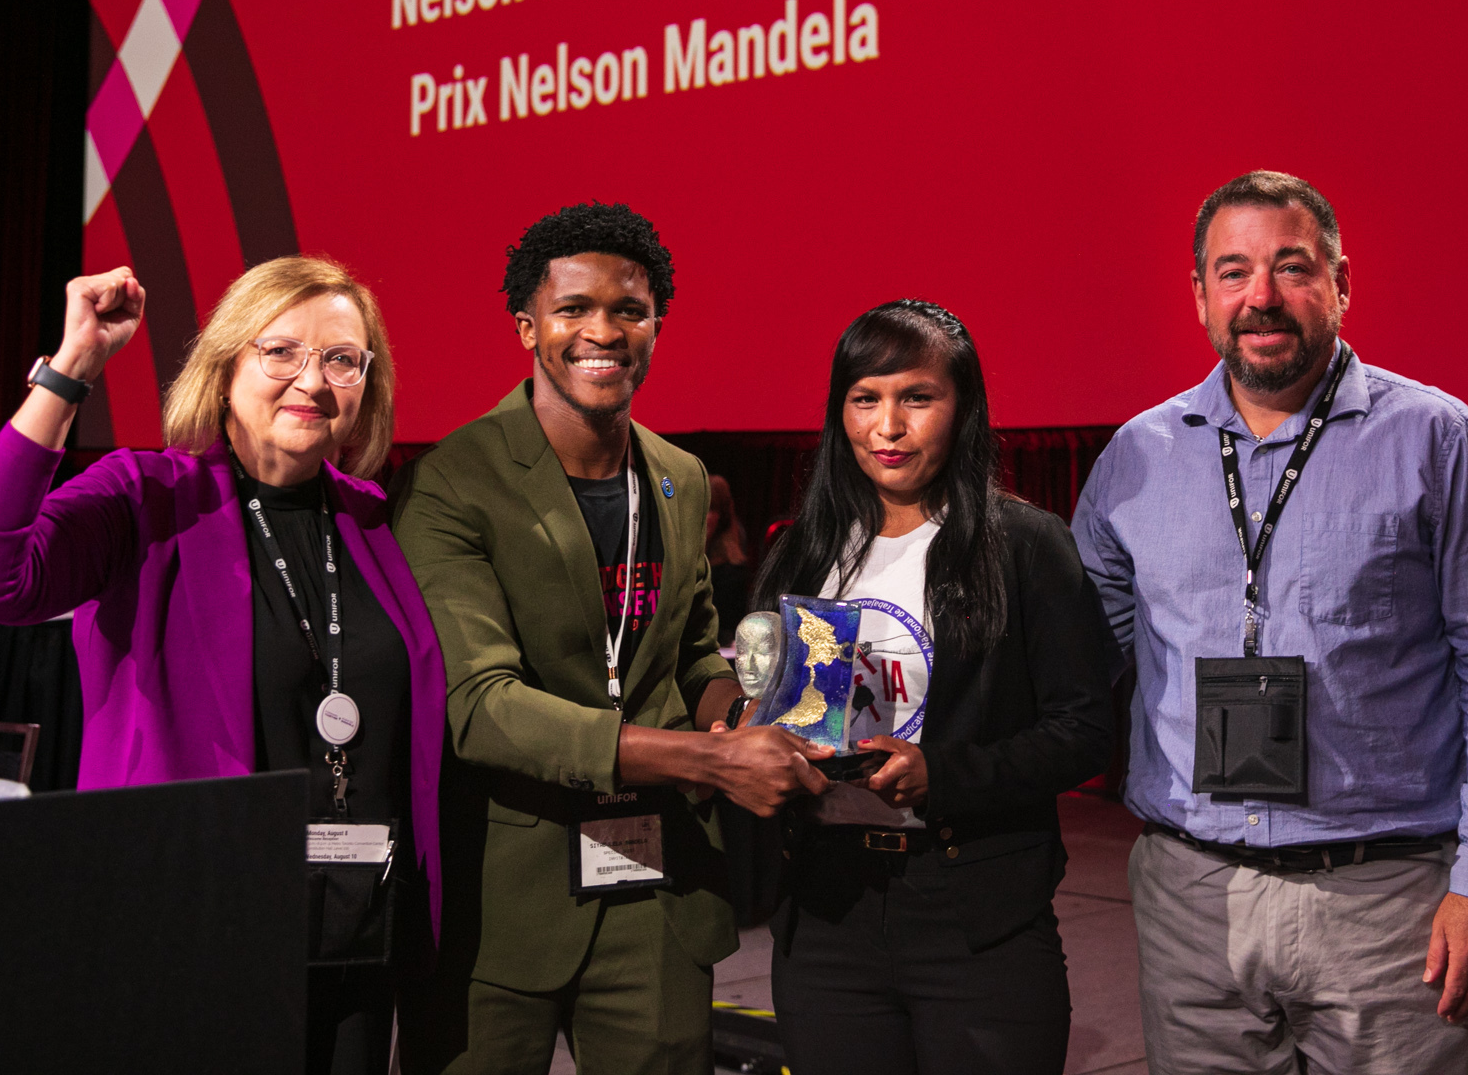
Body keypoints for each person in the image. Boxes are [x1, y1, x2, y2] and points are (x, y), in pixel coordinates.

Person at [1071, 171, 1468, 1075]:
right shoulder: (1137, 458)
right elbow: (1074, 658)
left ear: (1342, 282)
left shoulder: (1437, 442)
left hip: (1386, 902)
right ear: (1199, 297)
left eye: (1291, 267)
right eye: (1233, 272)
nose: (1260, 297)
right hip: (1191, 897)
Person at [0, 259, 447, 1075]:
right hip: (192, 922)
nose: (311, 381)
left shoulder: (382, 522)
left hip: (356, 928)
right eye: (280, 352)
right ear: (226, 365)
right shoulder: (146, 498)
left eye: (342, 360)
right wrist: (70, 371)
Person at [393, 202, 829, 1075]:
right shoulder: (451, 482)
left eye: (628, 310)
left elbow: (696, 651)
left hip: (656, 897)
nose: (603, 331)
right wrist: (706, 762)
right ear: (528, 327)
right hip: (501, 903)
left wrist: (741, 718)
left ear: (657, 326)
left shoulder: (681, 480)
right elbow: (481, 707)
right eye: (573, 310)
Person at [752, 300, 1114, 1075]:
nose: (889, 426)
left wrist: (940, 775)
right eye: (865, 399)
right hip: (827, 913)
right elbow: (770, 701)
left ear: (962, 408)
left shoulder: (1023, 543)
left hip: (974, 917)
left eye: (917, 397)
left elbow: (1087, 727)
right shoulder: (803, 551)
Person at [703, 474, 752, 631]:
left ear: (721, 518)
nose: (701, 516)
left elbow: (722, 629)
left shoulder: (731, 573)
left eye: (709, 509)